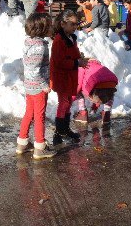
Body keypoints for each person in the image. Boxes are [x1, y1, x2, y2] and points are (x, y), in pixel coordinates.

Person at [17, 13, 56, 159]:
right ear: (42, 28)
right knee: (39, 116)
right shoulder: (39, 46)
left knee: (30, 113)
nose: (52, 27)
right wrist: (44, 85)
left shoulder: (30, 42)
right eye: (50, 25)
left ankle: (22, 143)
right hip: (38, 88)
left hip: (29, 85)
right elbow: (34, 69)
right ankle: (40, 147)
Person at [50, 10, 89, 145]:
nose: (74, 27)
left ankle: (65, 130)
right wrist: (77, 62)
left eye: (76, 24)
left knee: (69, 102)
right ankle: (59, 133)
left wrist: (80, 58)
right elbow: (59, 61)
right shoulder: (59, 40)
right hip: (62, 77)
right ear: (62, 24)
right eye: (72, 24)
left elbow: (73, 54)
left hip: (70, 75)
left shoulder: (72, 38)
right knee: (64, 103)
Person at [78, 60, 118, 125]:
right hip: (111, 83)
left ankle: (82, 113)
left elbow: (78, 85)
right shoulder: (99, 66)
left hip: (96, 89)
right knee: (109, 92)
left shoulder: (83, 67)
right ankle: (106, 113)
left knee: (79, 92)